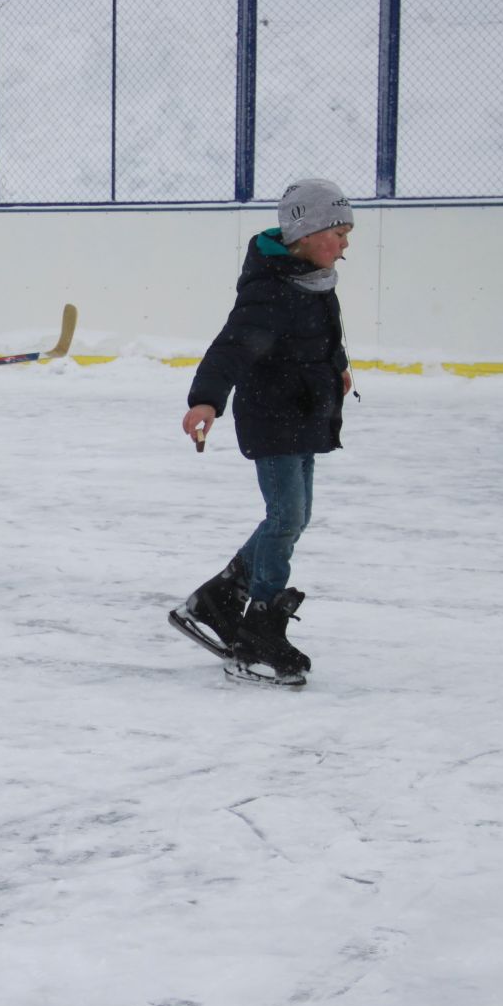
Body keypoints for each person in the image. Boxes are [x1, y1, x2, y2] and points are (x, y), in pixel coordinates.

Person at [171, 178, 355, 687]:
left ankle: (216, 598)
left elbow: (326, 335)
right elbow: (230, 347)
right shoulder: (271, 289)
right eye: (337, 233)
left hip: (305, 414)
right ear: (308, 232)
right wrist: (205, 399)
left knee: (295, 517)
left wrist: (338, 366)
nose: (344, 244)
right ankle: (258, 626)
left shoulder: (316, 282)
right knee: (285, 517)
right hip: (274, 417)